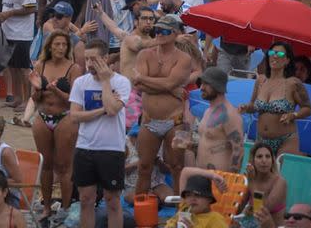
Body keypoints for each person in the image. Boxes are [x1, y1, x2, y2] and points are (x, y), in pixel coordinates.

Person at [69, 39, 131, 228]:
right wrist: (101, 110)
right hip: (85, 146)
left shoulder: (121, 82)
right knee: (86, 199)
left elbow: (113, 110)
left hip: (111, 148)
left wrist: (105, 81)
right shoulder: (81, 82)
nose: (89, 64)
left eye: (94, 59)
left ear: (105, 58)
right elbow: (74, 116)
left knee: (112, 201)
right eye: (87, 59)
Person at [133, 15, 192, 194]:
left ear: (175, 34)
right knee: (143, 167)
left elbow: (168, 83)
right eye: (156, 30)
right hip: (149, 120)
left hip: (176, 121)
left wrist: (144, 78)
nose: (158, 34)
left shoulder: (184, 58)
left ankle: (181, 213)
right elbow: (138, 86)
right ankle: (139, 210)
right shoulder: (144, 54)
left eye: (164, 31)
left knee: (177, 167)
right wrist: (169, 88)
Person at [27, 30, 82, 220]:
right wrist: (36, 88)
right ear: (49, 46)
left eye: (64, 45)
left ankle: (66, 207)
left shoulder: (73, 68)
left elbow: (73, 99)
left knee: (64, 166)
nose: (60, 48)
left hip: (64, 116)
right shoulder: (40, 65)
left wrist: (55, 90)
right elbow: (35, 98)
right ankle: (47, 207)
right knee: (46, 164)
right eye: (57, 44)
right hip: (43, 116)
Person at [240, 41, 311, 156]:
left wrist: (293, 115)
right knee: (257, 172)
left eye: (280, 54)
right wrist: (246, 107)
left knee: (282, 172)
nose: (274, 55)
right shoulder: (261, 80)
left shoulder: (293, 83)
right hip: (261, 139)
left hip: (286, 140)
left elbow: (308, 108)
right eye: (272, 52)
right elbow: (253, 106)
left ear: (287, 61)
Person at [183, 67, 244, 171]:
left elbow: (238, 150)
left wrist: (230, 180)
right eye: (202, 83)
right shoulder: (208, 111)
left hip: (219, 180)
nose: (201, 87)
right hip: (201, 175)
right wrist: (190, 146)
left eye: (206, 84)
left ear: (218, 87)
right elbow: (209, 145)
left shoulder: (229, 114)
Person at [0, 0, 37, 113]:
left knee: (23, 69)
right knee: (12, 67)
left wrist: (10, 14)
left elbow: (31, 8)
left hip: (22, 33)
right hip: (9, 31)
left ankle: (27, 100)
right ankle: (17, 98)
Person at [244, 142, 288, 226]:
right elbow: (237, 208)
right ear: (252, 160)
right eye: (259, 156)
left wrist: (252, 183)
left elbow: (262, 210)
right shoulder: (250, 178)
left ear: (272, 160)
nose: (264, 160)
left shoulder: (280, 182)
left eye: (268, 156)